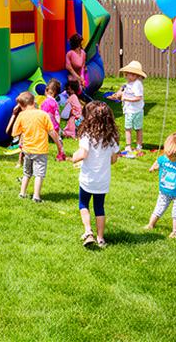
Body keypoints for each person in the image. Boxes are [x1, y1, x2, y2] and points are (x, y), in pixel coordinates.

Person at [71, 102, 120, 248]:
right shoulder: (111, 138)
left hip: (88, 179)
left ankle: (88, 232)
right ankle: (101, 238)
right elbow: (114, 159)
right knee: (99, 207)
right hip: (103, 180)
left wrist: (74, 157)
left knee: (83, 204)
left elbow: (83, 154)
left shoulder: (87, 135)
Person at [145, 133, 176, 238]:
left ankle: (175, 231)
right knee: (158, 208)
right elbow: (158, 161)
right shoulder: (164, 158)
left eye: (174, 156)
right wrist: (154, 167)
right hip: (164, 192)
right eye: (168, 155)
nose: (171, 158)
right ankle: (150, 224)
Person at [14, 91, 60, 203]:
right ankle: (36, 196)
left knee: (26, 173)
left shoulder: (21, 115)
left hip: (27, 150)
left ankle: (22, 193)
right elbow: (52, 132)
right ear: (34, 102)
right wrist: (59, 145)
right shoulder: (43, 115)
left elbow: (15, 132)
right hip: (40, 150)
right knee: (39, 174)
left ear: (21, 105)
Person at [109, 60, 145, 155]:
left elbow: (138, 97)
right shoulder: (128, 83)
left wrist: (125, 98)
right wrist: (118, 94)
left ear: (137, 76)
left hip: (137, 110)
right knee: (127, 128)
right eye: (129, 74)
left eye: (133, 75)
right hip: (128, 110)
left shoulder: (137, 84)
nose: (129, 76)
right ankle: (128, 145)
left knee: (138, 128)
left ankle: (139, 145)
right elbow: (124, 89)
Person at [40, 78, 66, 161]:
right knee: (57, 140)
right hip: (54, 125)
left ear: (46, 90)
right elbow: (57, 114)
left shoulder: (46, 102)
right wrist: (58, 124)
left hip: (46, 125)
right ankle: (61, 154)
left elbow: (42, 114)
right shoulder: (54, 102)